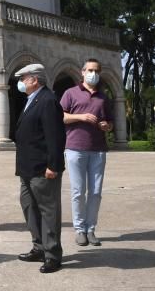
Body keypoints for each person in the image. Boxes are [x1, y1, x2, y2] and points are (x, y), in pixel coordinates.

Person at [13, 63, 66, 273]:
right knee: (29, 206)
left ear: (35, 80)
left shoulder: (48, 101)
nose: (20, 82)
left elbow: (55, 137)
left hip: (43, 168)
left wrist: (53, 165)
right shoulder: (32, 100)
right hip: (27, 167)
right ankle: (39, 247)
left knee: (48, 211)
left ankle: (52, 254)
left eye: (23, 78)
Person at [59, 58, 112, 247]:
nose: (93, 73)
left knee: (95, 192)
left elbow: (110, 122)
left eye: (96, 70)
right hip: (75, 148)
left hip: (98, 150)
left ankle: (91, 229)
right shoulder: (70, 93)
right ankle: (79, 229)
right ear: (82, 72)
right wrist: (80, 116)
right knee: (78, 192)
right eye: (90, 70)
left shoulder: (103, 97)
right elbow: (61, 116)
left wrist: (107, 126)